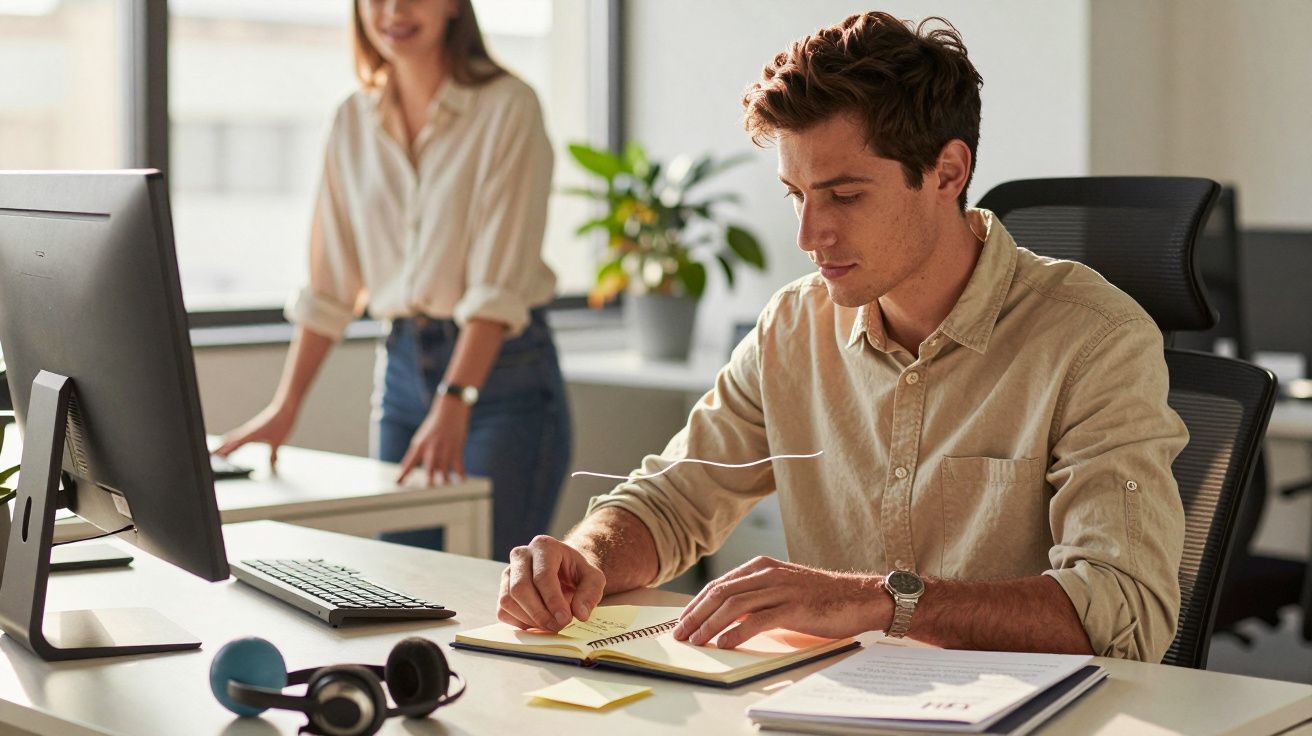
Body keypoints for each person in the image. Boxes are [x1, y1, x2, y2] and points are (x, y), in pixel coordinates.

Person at [495, 11, 1188, 662]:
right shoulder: (792, 328)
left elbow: (1125, 611)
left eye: (844, 196)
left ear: (948, 172)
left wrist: (876, 602)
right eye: (796, 195)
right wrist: (585, 558)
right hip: (825, 705)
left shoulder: (1095, 340)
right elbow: (672, 501)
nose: (808, 235)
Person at [216, 0, 571, 561]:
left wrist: (454, 400)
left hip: (502, 379)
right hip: (403, 370)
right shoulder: (352, 120)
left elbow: (497, 283)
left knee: (496, 592)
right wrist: (285, 408)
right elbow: (331, 286)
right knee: (403, 583)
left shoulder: (509, 106)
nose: (394, 10)